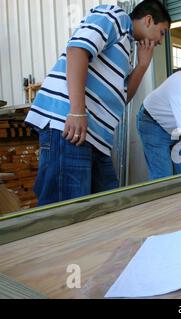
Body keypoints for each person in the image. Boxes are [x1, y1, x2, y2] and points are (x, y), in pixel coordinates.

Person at [25, 0, 171, 206]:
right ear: (148, 20)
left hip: (94, 139)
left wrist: (143, 65)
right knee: (65, 214)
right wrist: (77, 112)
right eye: (162, 32)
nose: (160, 41)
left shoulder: (127, 47)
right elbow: (77, 50)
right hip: (70, 129)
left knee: (106, 209)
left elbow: (124, 97)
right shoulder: (114, 16)